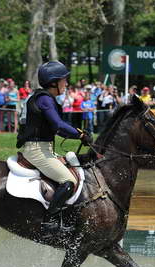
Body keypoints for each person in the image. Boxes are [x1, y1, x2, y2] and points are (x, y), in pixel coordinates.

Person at [16, 61, 92, 232]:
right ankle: (49, 222)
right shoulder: (44, 99)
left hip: (44, 148)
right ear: (53, 82)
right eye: (64, 80)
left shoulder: (45, 98)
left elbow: (56, 129)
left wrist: (78, 135)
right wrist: (79, 134)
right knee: (69, 180)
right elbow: (58, 124)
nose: (66, 83)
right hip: (36, 151)